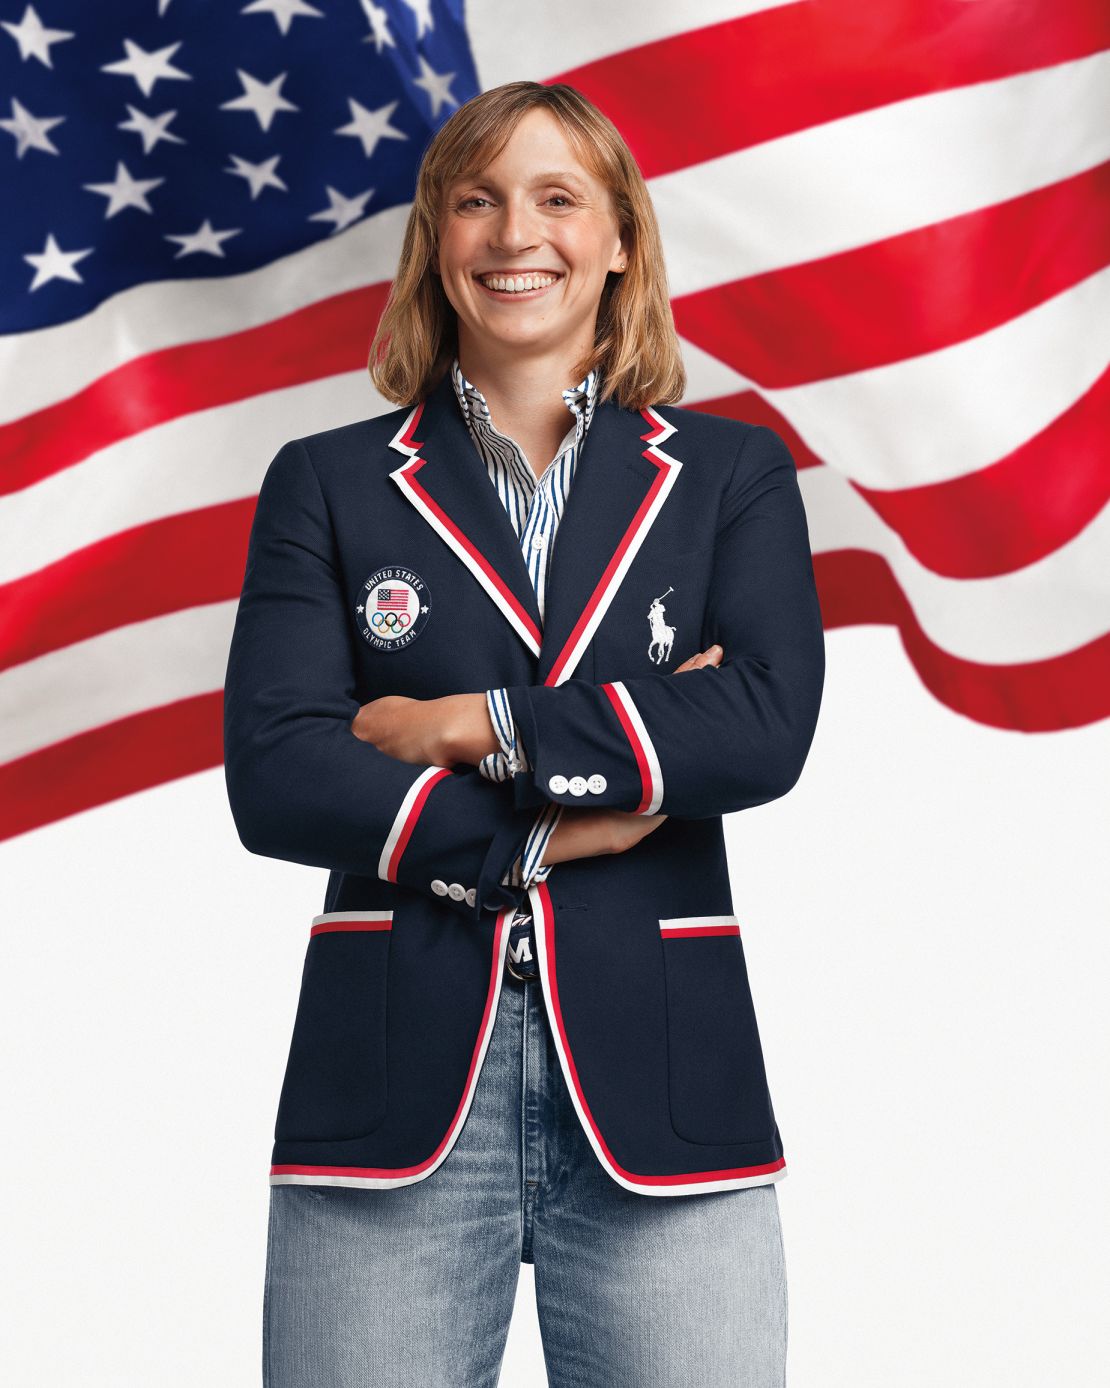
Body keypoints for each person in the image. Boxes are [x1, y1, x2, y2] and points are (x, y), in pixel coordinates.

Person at [223, 80, 825, 1388]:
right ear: (435, 238)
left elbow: (764, 729)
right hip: (389, 1081)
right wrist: (543, 833)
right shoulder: (325, 481)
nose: (515, 234)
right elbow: (277, 774)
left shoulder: (729, 475)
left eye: (558, 198)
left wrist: (466, 723)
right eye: (477, 199)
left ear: (619, 241)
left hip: (662, 1078)